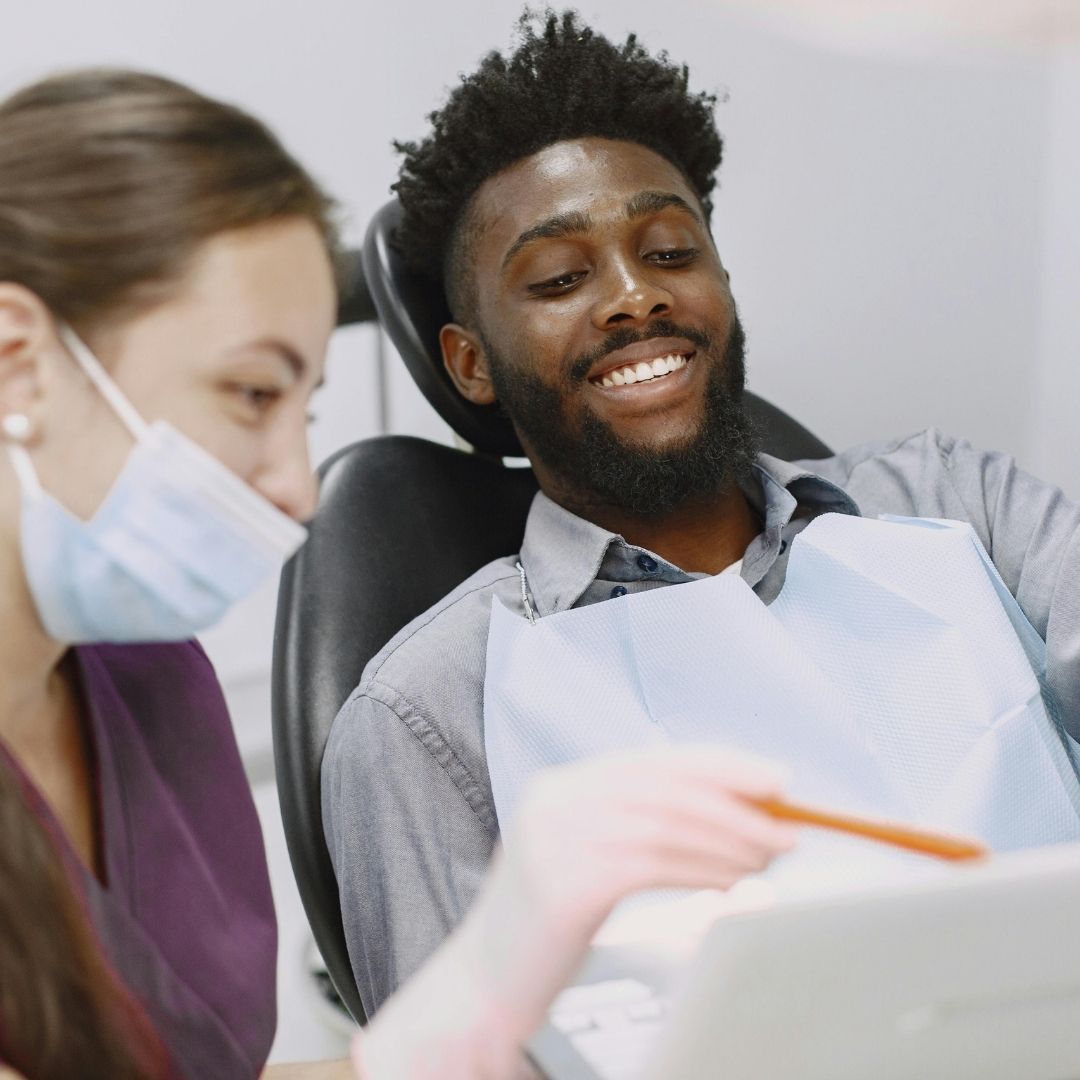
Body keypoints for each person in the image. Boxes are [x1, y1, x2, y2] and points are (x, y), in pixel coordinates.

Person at [0, 67, 797, 1080]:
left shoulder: (152, 685)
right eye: (251, 393)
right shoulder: (422, 703)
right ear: (17, 361)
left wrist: (472, 1019)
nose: (295, 489)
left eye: (306, 409)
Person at [320, 7, 1080, 1021]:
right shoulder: (426, 716)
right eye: (559, 277)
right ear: (469, 362)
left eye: (671, 251)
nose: (635, 297)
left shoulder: (957, 504)